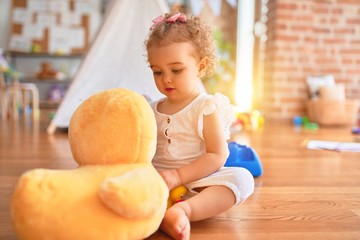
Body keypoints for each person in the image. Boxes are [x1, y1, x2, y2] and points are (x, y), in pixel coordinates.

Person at [144, 12, 255, 240]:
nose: (166, 79)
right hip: (158, 181)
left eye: (176, 70)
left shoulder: (205, 106)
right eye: (157, 71)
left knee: (242, 178)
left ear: (201, 66)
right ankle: (159, 212)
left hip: (198, 181)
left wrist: (179, 175)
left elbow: (217, 155)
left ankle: (184, 210)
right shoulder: (151, 108)